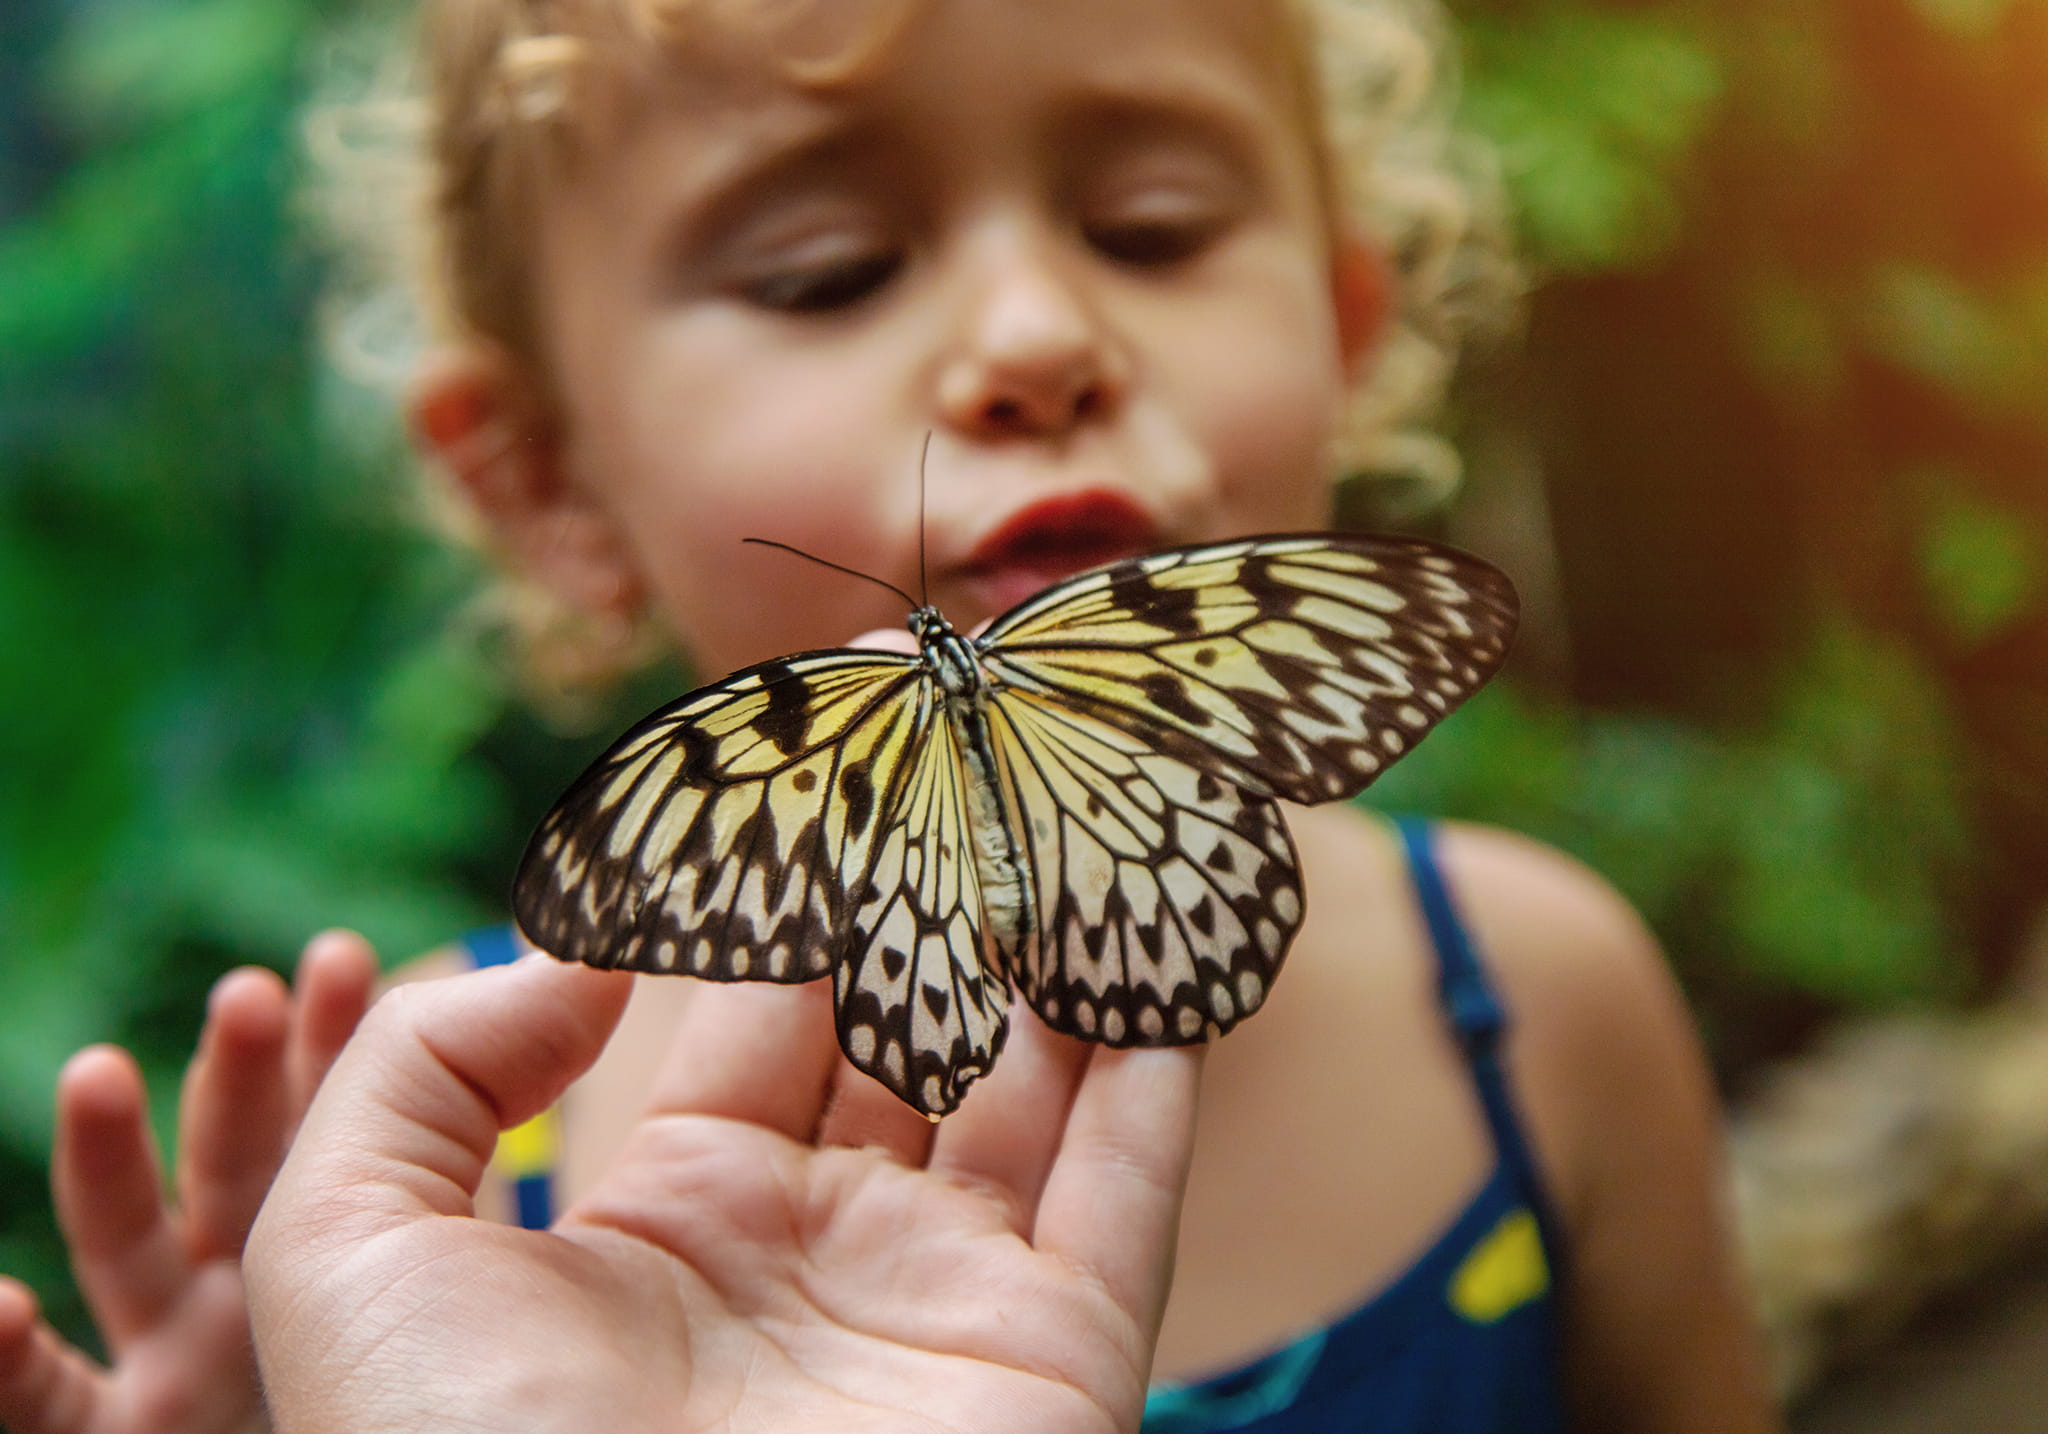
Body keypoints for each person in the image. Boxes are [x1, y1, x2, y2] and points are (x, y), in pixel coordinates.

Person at [0, 0, 1781, 1429]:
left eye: (1153, 228)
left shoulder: (1535, 1007)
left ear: (1342, 322)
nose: (1035, 334)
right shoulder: (453, 1153)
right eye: (827, 269)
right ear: (549, 478)